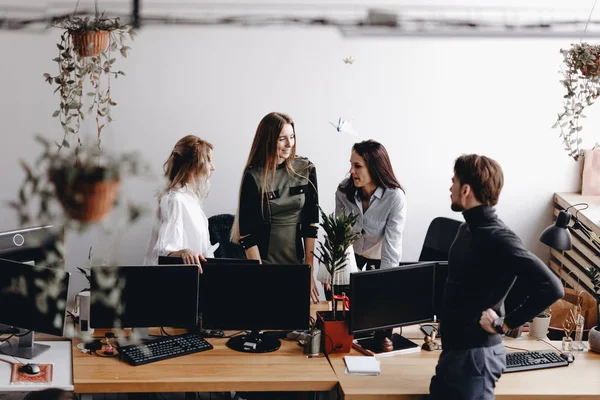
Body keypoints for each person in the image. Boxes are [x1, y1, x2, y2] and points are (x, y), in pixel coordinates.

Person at [429, 154, 564, 400]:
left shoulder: (498, 237)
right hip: (454, 354)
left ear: (466, 189)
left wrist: (506, 323)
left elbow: (552, 286)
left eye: (454, 181)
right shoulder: (467, 229)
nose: (450, 188)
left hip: (474, 359)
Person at [231, 112, 320, 303]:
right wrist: (260, 277)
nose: (290, 144)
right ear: (268, 140)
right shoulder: (253, 176)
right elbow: (247, 234)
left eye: (292, 137)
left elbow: (311, 224)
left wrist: (308, 270)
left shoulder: (307, 169)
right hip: (265, 264)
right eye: (282, 139)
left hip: (297, 265)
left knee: (297, 328)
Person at [143, 135, 216, 266]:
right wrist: (184, 252)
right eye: (209, 161)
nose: (213, 167)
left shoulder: (192, 200)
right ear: (197, 164)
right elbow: (164, 250)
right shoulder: (175, 200)